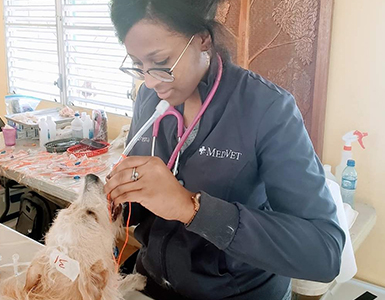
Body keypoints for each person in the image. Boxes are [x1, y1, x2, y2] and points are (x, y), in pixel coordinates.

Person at [104, 1, 346, 299]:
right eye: (138, 65)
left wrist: (192, 208)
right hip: (151, 284)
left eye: (161, 62)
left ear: (202, 39)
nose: (151, 81)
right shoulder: (149, 99)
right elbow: (145, 204)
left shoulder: (267, 109)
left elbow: (325, 252)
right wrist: (123, 200)